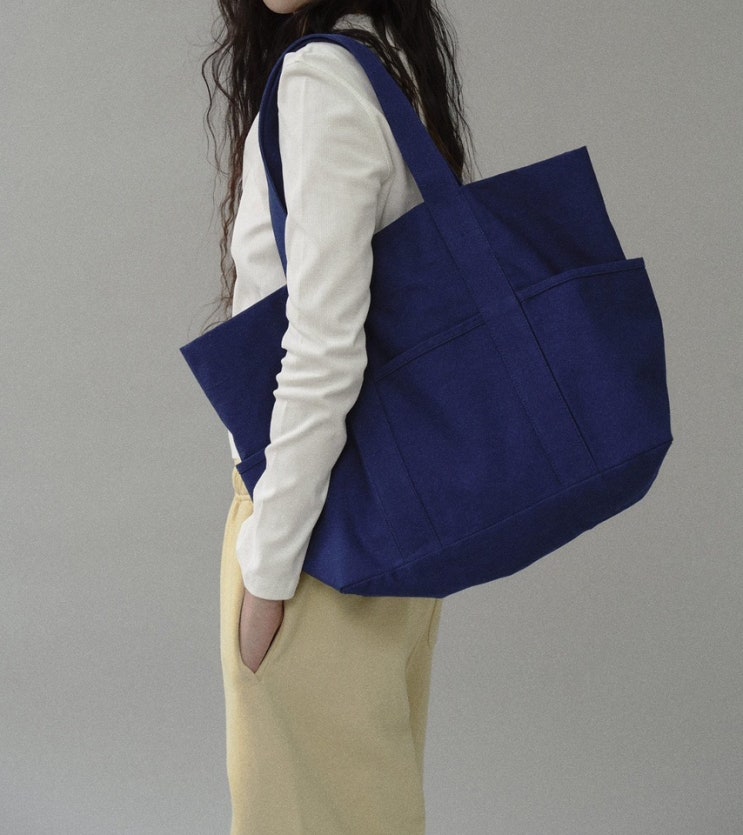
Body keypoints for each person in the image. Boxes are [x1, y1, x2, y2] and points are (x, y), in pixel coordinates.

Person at [199, 1, 475, 831]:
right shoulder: (384, 64)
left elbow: (324, 349)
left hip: (313, 541)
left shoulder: (321, 82)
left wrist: (266, 574)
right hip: (377, 530)